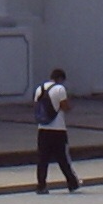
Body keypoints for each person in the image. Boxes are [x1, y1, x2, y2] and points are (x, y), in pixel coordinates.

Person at [33, 66, 80, 194]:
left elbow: (36, 106)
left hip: (43, 128)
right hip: (58, 129)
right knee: (63, 158)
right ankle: (72, 183)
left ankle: (41, 185)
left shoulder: (39, 89)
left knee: (42, 159)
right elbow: (65, 107)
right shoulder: (60, 89)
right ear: (60, 79)